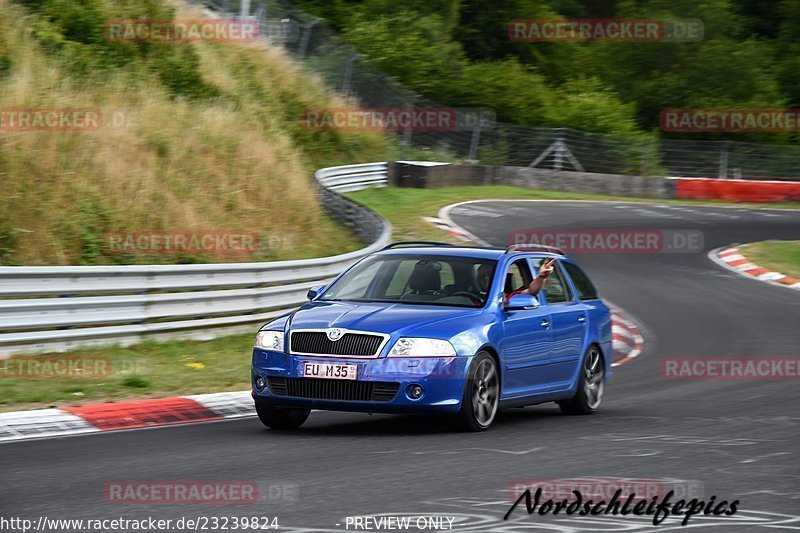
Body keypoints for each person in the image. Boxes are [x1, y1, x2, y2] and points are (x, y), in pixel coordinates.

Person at [476, 257, 557, 302]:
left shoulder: (506, 299)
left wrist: (541, 277)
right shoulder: (470, 299)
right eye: (482, 276)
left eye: (490, 275)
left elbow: (531, 291)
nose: (486, 279)